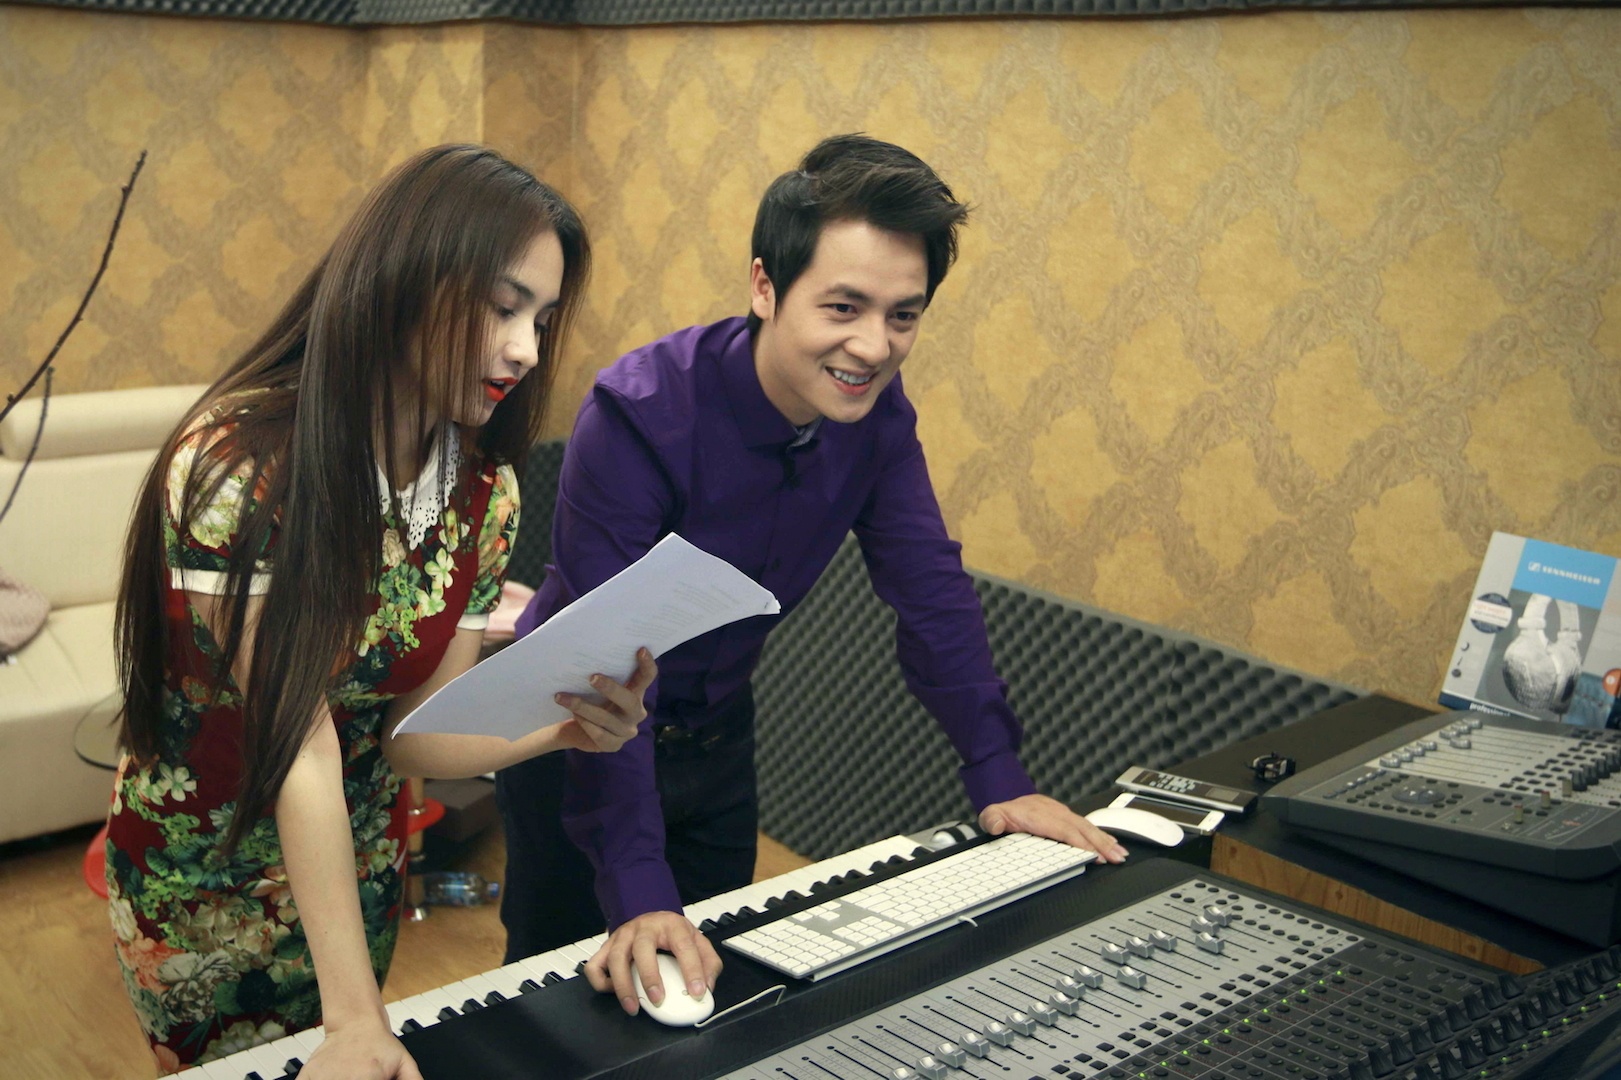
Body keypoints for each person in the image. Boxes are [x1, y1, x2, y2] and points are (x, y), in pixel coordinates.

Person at [497, 133, 1130, 1018]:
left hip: (718, 744)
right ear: (765, 286)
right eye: (843, 307)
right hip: (578, 739)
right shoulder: (637, 414)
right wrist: (638, 887)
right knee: (554, 1015)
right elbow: (601, 658)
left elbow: (928, 588)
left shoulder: (876, 418)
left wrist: (999, 777)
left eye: (902, 315)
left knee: (711, 1012)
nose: (873, 346)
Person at [106, 145, 655, 1078]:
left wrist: (566, 726)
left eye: (541, 319)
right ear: (404, 281)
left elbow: (412, 736)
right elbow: (299, 743)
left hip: (352, 865)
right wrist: (356, 1014)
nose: (527, 350)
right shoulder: (239, 463)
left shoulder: (484, 493)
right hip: (203, 876)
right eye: (503, 307)